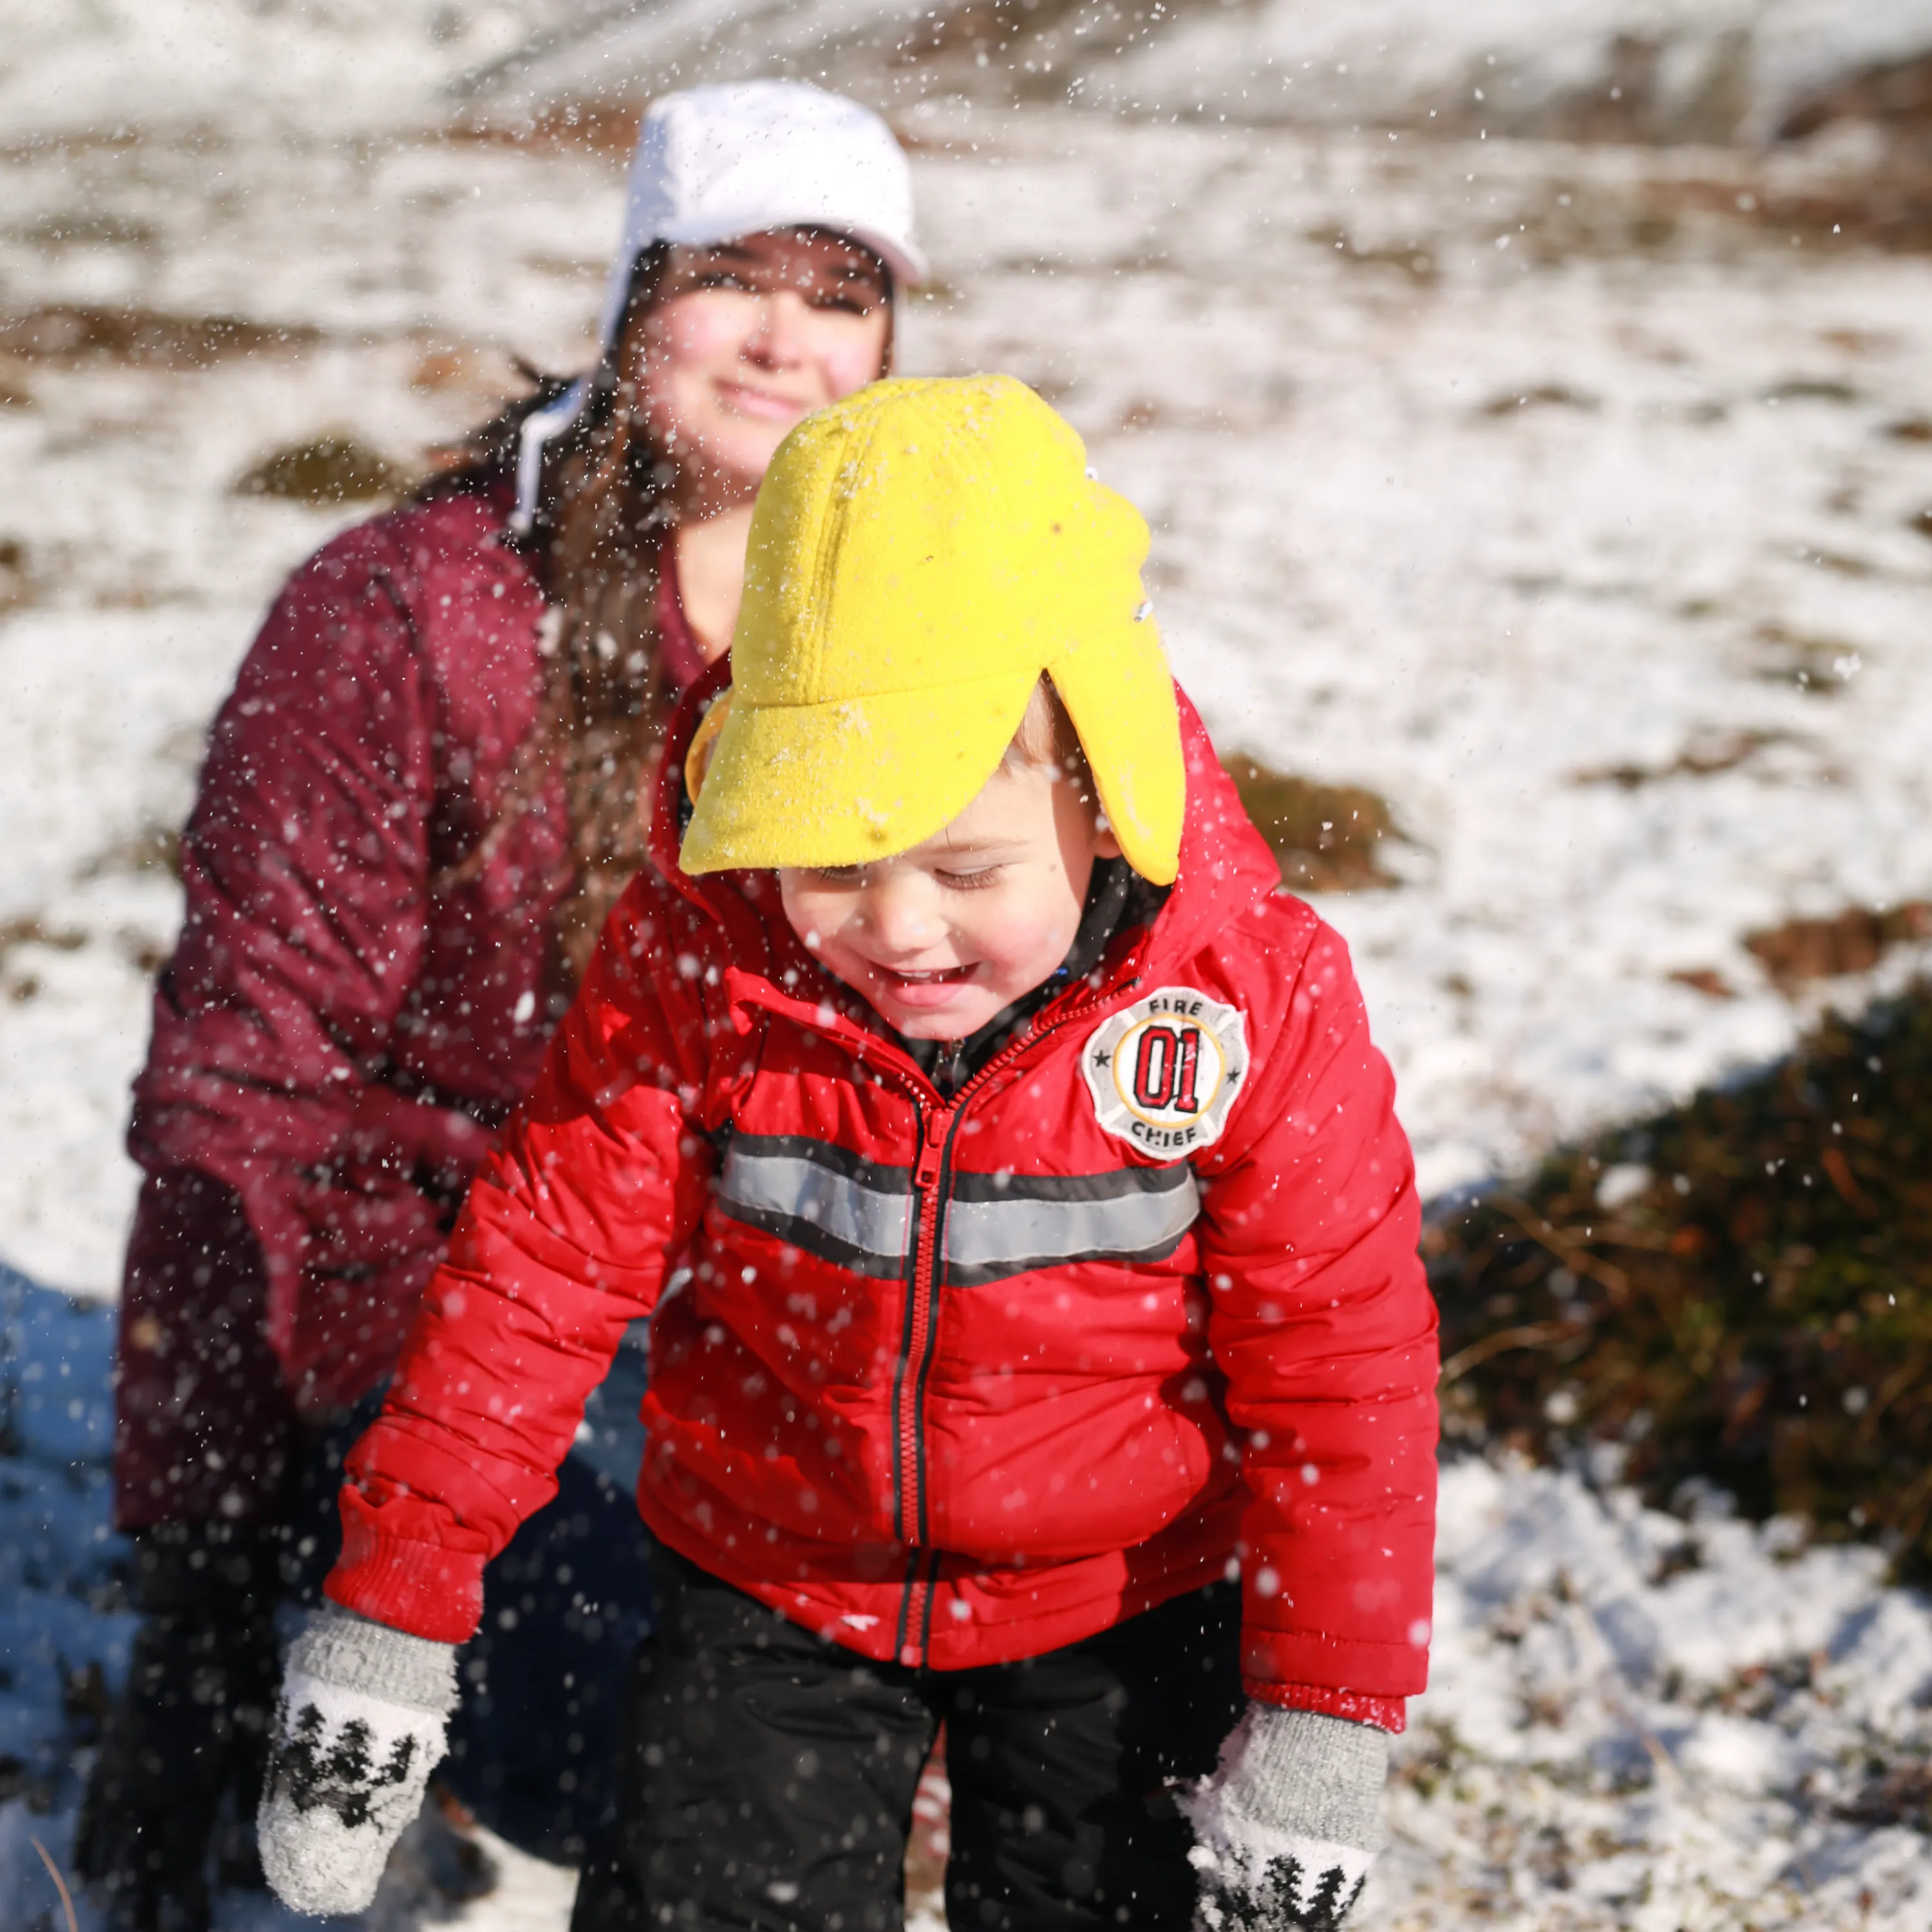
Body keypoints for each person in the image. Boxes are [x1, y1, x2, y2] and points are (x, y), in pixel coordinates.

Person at [251, 375, 1440, 1932]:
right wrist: (390, 1617)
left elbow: (1342, 1368)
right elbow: (533, 1279)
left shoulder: (1245, 997)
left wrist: (1325, 1720)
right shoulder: (704, 958)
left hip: (1125, 1606)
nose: (896, 925)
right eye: (830, 858)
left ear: (1103, 787)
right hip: (769, 1585)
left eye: (964, 864)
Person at [75, 79, 923, 1932]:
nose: (790, 340)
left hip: (784, 1275)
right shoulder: (404, 616)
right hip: (456, 1295)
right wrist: (202, 1574)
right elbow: (249, 1083)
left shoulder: (914, 638)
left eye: (844, 292)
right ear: (637, 300)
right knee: (622, 1626)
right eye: (736, 278)